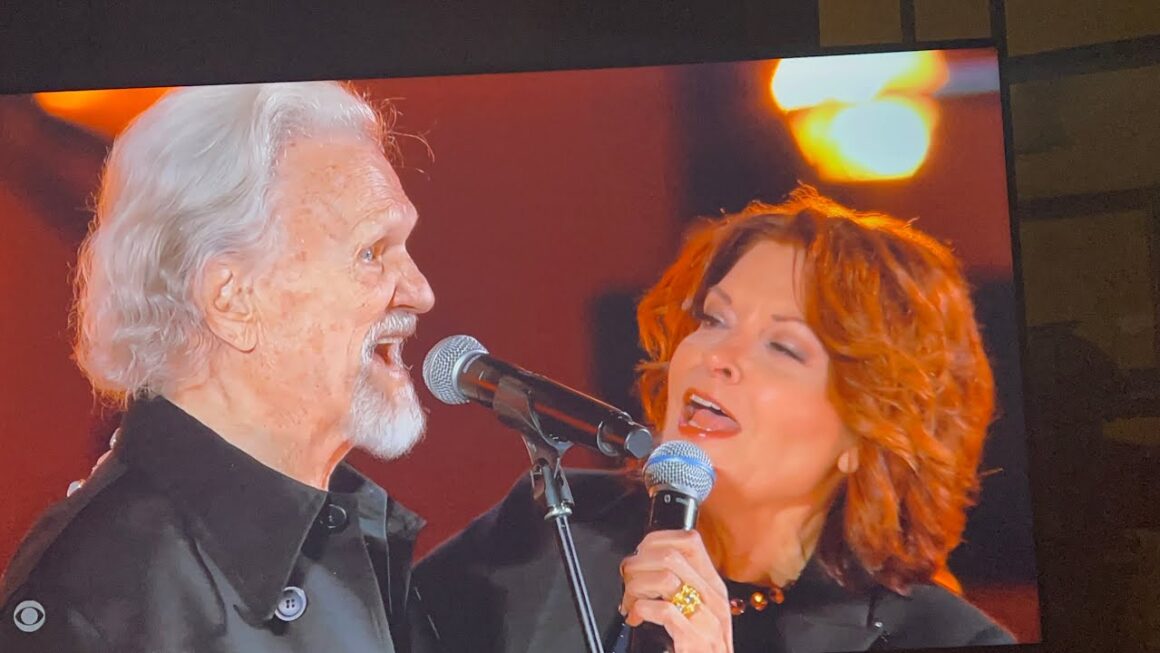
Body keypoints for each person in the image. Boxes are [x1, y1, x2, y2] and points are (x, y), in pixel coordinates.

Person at [409, 185, 1016, 652]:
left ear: (869, 429)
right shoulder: (551, 527)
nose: (718, 356)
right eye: (713, 318)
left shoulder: (947, 638)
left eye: (783, 347)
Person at [0, 81, 436, 652]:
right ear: (230, 299)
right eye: (370, 252)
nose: (420, 292)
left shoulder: (352, 550)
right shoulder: (92, 600)